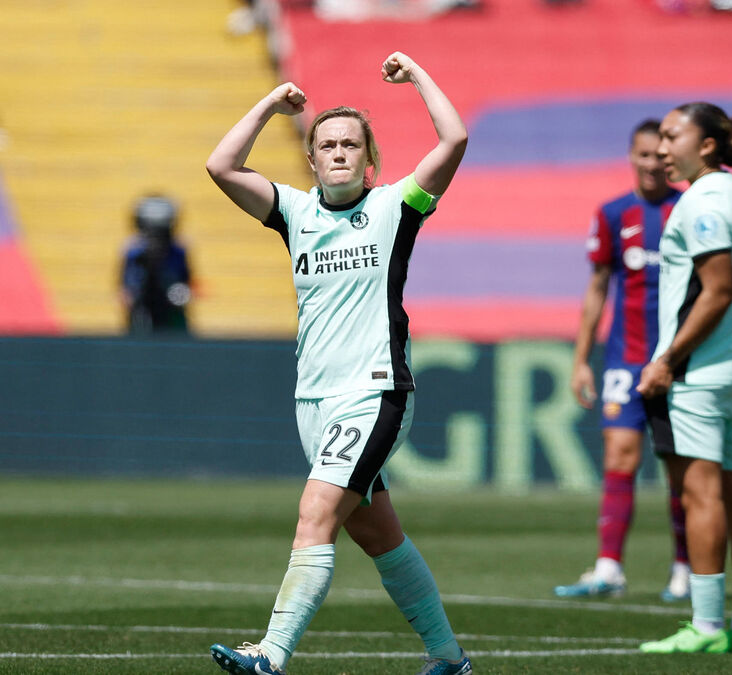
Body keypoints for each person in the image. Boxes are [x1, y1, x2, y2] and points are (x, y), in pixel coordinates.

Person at [204, 51, 472, 675]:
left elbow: (454, 138)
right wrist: (272, 103)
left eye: (351, 143)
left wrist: (418, 77)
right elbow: (220, 166)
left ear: (368, 157)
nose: (340, 153)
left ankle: (271, 654)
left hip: (375, 391)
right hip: (313, 399)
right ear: (313, 159)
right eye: (327, 145)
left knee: (315, 513)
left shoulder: (394, 208)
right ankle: (449, 659)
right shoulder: (295, 213)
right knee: (376, 534)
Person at [635, 102, 732, 655]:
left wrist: (667, 360)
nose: (663, 149)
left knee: (702, 494)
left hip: (701, 370)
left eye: (672, 136)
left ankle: (708, 625)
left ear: (706, 144)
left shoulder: (703, 202)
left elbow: (714, 290)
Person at [555, 120, 691, 602]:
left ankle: (685, 568)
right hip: (624, 359)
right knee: (619, 456)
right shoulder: (614, 213)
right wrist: (581, 360)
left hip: (678, 361)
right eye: (643, 154)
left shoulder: (689, 209)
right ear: (631, 156)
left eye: (660, 155)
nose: (652, 163)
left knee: (678, 467)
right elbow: (596, 290)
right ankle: (609, 568)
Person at [120, 195, 193, 335]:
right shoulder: (133, 252)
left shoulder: (178, 251)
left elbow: (186, 283)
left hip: (172, 314)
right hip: (142, 314)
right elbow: (125, 290)